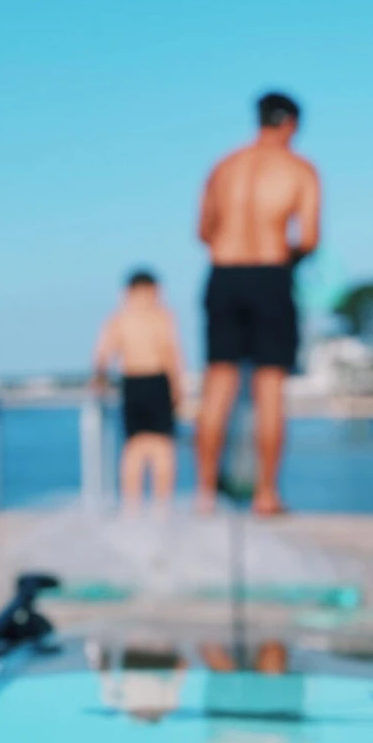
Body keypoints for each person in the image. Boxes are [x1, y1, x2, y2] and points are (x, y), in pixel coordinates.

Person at [194, 90, 321, 517]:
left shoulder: (223, 166)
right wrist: (286, 256)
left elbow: (204, 231)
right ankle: (266, 494)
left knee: (217, 385)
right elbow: (309, 237)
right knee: (269, 388)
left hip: (224, 273)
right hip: (270, 274)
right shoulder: (300, 169)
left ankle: (204, 494)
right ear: (291, 124)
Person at [92, 269, 187, 511]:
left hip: (131, 383)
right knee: (161, 447)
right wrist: (178, 388)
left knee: (134, 447)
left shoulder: (119, 318)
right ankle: (161, 507)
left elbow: (102, 354)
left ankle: (131, 508)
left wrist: (100, 379)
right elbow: (171, 353)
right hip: (157, 381)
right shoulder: (161, 316)